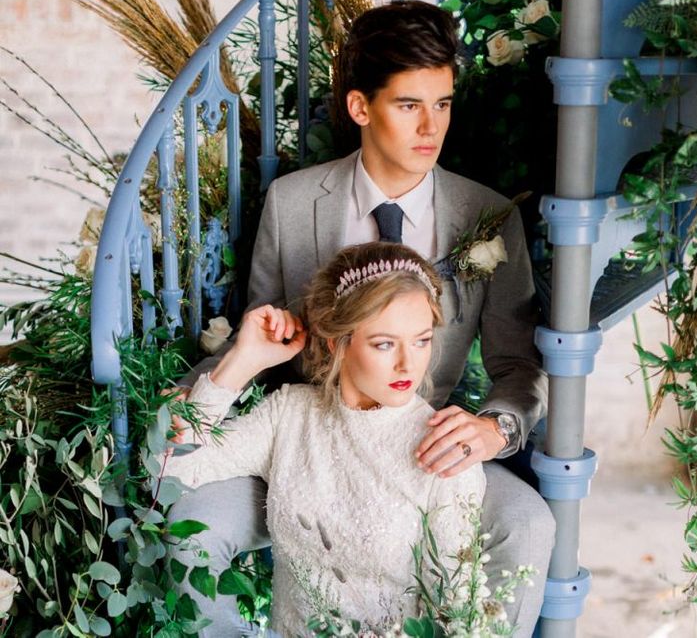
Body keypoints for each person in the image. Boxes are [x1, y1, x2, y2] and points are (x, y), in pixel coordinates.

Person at [173, 0, 554, 635]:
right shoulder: (293, 203)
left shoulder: (489, 216)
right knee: (191, 528)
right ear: (360, 108)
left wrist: (495, 430)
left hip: (427, 448)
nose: (431, 126)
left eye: (443, 103)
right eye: (409, 105)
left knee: (530, 524)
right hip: (309, 443)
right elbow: (264, 333)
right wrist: (202, 399)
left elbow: (518, 366)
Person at [166, 242, 486, 635]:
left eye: (421, 340)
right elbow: (173, 469)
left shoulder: (444, 450)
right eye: (384, 344)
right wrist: (243, 360)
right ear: (337, 341)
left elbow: (454, 616)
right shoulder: (290, 414)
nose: (409, 362)